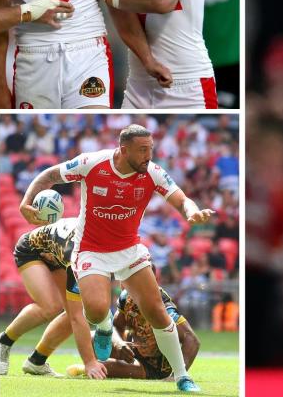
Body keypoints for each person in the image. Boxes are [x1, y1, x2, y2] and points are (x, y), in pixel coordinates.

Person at [19, 124, 212, 392]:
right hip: (91, 251)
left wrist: (192, 211)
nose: (149, 155)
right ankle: (105, 325)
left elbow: (181, 199)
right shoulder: (92, 163)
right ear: (124, 150)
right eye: (143, 150)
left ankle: (182, 377)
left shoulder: (153, 172)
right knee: (97, 310)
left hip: (129, 251)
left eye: (151, 149)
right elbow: (50, 175)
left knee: (156, 311)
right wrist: (25, 203)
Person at [0, 217, 101, 378]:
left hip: (57, 253)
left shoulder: (98, 247)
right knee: (50, 306)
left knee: (75, 312)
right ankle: (3, 342)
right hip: (32, 248)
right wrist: (90, 362)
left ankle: (36, 361)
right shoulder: (78, 255)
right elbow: (77, 318)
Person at [64, 286, 201, 380]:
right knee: (93, 338)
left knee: (104, 366)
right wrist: (119, 343)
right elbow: (116, 327)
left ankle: (84, 369)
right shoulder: (126, 296)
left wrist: (175, 375)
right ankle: (96, 365)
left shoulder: (162, 305)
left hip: (153, 366)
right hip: (132, 350)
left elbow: (192, 339)